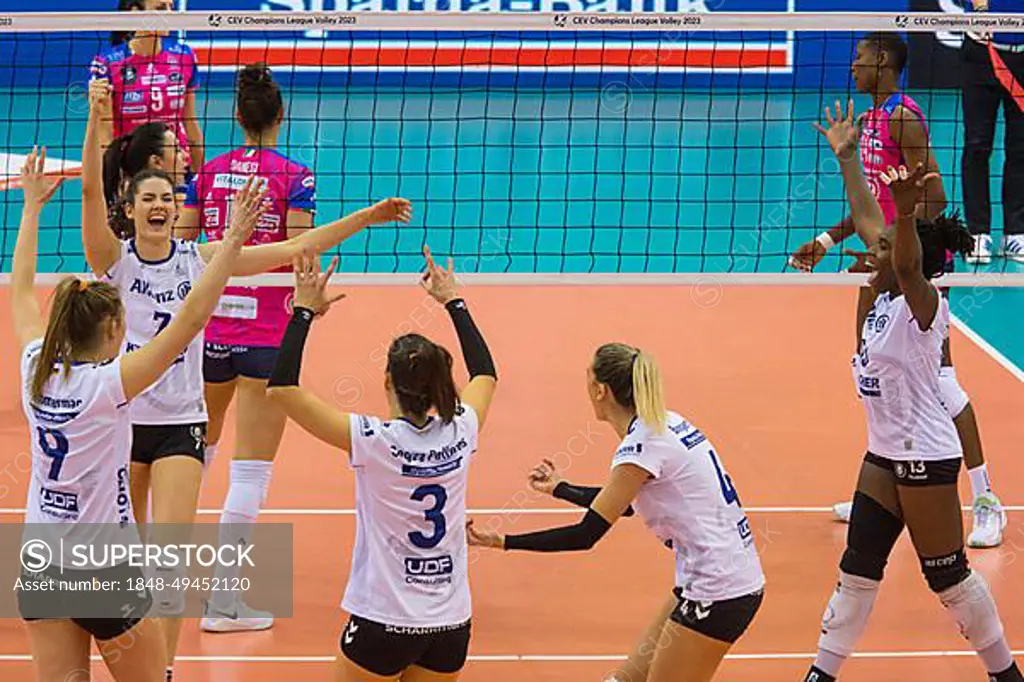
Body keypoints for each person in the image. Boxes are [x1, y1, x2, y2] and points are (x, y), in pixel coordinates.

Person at [81, 79, 412, 680]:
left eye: (166, 196)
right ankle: (120, 655)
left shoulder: (200, 259)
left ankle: (165, 671)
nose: (160, 204)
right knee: (114, 561)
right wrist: (97, 121)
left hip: (181, 425)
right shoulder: (115, 264)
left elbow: (299, 243)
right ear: (129, 210)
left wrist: (369, 216)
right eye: (147, 196)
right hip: (123, 423)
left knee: (169, 563)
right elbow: (89, 188)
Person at [11, 146, 261, 682]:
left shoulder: (35, 368)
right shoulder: (110, 384)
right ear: (110, 334)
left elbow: (20, 290)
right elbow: (191, 319)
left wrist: (31, 209)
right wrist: (234, 241)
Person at [800, 101, 1022, 682]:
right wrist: (849, 159)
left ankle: (1004, 673)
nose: (866, 250)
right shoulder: (874, 300)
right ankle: (821, 673)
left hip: (927, 454)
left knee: (946, 576)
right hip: (884, 452)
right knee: (857, 568)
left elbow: (900, 255)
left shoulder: (921, 307)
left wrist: (904, 215)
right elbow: (865, 214)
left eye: (881, 250)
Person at [790, 32, 1006, 548]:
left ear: (883, 61)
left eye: (860, 59)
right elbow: (877, 204)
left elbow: (934, 196)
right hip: (882, 259)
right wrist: (829, 239)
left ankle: (986, 501)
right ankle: (879, 491)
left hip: (914, 268)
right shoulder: (870, 122)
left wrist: (907, 261)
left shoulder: (904, 117)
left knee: (943, 383)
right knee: (870, 370)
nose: (853, 68)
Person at [467, 344, 764, 682]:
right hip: (709, 580)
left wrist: (501, 541)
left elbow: (585, 535)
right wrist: (561, 488)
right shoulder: (666, 423)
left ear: (600, 390)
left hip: (719, 592)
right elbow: (621, 505)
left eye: (587, 379)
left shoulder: (640, 447)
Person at [265, 248, 496, 682]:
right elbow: (486, 374)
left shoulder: (374, 441)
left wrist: (303, 312)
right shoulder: (461, 429)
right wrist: (453, 301)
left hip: (384, 622)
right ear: (443, 385)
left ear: (387, 381)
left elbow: (281, 389)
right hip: (450, 625)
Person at [173, 63, 317, 633]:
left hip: (207, 331)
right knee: (250, 469)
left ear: (237, 117)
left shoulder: (207, 173)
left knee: (190, 451)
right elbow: (300, 249)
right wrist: (310, 303)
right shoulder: (296, 176)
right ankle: (226, 601)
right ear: (279, 117)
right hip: (265, 335)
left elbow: (183, 247)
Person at [89, 0, 205, 169]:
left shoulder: (184, 57)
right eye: (160, 8)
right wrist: (111, 179)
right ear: (136, 12)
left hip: (175, 164)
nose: (169, 14)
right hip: (131, 166)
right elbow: (105, 133)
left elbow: (190, 122)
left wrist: (201, 177)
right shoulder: (108, 64)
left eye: (170, 7)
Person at [961, 0, 1024, 263]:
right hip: (982, 54)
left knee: (1021, 148)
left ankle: (1016, 232)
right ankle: (977, 233)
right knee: (977, 145)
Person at [103, 121, 189, 238]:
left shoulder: (117, 209)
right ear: (156, 162)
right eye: (177, 150)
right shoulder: (181, 205)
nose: (185, 156)